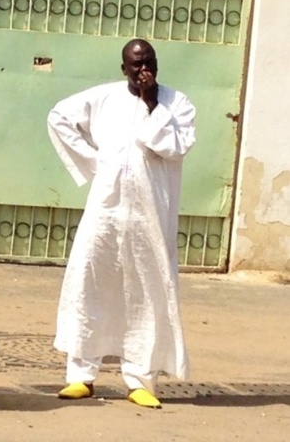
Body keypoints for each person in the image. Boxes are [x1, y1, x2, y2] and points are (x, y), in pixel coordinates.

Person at [46, 38, 196, 409]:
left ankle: (140, 379)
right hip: (106, 210)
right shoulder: (105, 97)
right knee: (90, 283)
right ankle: (81, 376)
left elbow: (175, 146)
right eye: (135, 64)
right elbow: (58, 118)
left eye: (149, 62)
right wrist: (94, 164)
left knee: (148, 291)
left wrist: (150, 105)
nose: (143, 70)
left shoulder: (177, 104)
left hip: (151, 215)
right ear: (124, 68)